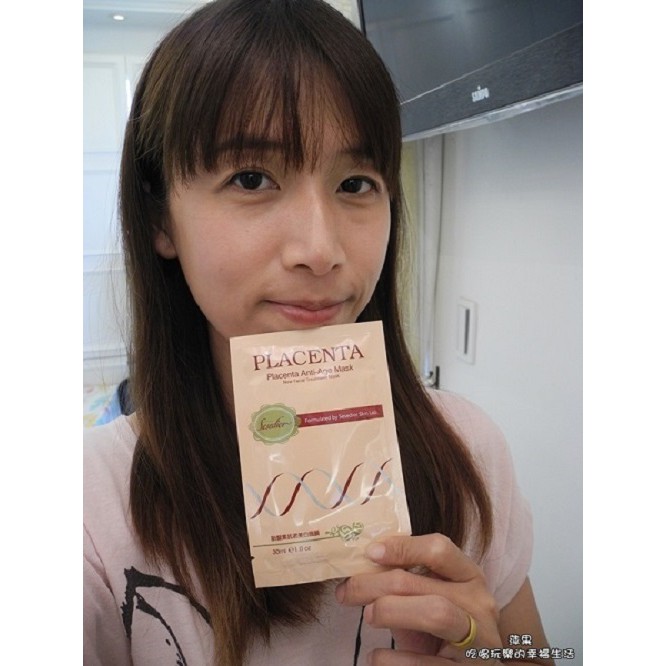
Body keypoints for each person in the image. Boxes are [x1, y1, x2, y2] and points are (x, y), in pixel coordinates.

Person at [83, 1, 554, 664]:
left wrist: (496, 655)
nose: (320, 249)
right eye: (252, 179)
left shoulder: (469, 450)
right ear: (162, 218)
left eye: (356, 183)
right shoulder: (88, 510)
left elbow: (534, 649)